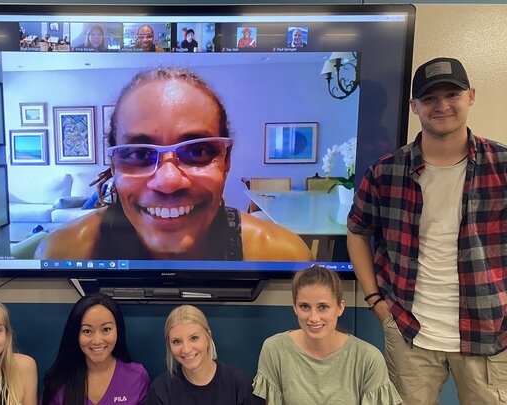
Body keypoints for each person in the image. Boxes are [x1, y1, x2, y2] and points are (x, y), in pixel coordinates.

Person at [346, 56, 507, 404]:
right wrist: (376, 301)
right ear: (414, 105)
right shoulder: (386, 172)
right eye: (430, 98)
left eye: (452, 94)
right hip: (409, 333)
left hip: (490, 333)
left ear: (471, 96)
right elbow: (357, 231)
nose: (442, 105)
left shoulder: (503, 166)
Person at [35, 67, 312, 262]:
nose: (168, 181)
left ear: (226, 161)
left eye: (198, 151)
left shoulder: (281, 256)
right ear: (115, 165)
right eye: (139, 154)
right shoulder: (65, 252)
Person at [253, 265, 401, 404]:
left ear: (340, 308)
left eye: (323, 307)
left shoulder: (368, 359)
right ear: (295, 308)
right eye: (304, 306)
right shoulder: (274, 349)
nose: (314, 318)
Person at [41, 293, 149, 405]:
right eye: (87, 331)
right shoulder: (58, 380)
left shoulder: (137, 376)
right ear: (75, 334)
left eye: (106, 329)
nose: (97, 341)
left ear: (118, 330)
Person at [145, 305, 261, 405]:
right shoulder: (161, 390)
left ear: (208, 336)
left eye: (194, 338)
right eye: (177, 341)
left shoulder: (240, 384)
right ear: (169, 345)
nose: (186, 349)